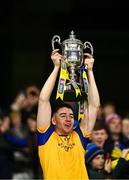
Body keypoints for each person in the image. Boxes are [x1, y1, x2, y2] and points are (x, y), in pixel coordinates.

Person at [37, 49, 100, 179]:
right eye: (63, 115)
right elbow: (43, 100)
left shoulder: (79, 137)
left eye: (71, 116)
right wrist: (56, 67)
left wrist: (90, 71)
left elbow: (94, 106)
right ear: (53, 120)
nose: (68, 119)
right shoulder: (46, 137)